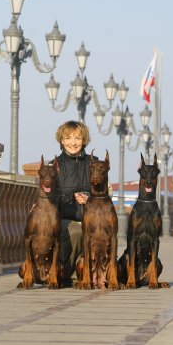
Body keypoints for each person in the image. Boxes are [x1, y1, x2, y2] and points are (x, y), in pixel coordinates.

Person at [50, 120, 97, 286]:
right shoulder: (54, 165)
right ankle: (66, 273)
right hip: (63, 217)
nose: (73, 143)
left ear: (84, 141)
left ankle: (93, 272)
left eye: (77, 138)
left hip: (90, 216)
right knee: (77, 231)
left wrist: (89, 199)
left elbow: (106, 194)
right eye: (68, 138)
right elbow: (46, 195)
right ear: (61, 141)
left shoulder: (94, 163)